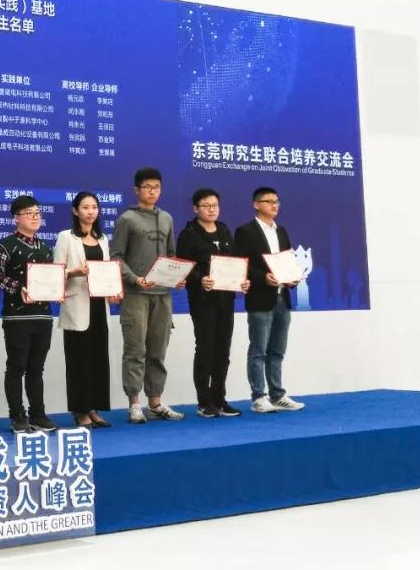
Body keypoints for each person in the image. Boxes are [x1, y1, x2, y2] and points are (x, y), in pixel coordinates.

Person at [111, 167, 185, 424]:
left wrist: (177, 276)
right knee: (135, 350)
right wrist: (134, 279)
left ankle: (155, 402)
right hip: (136, 295)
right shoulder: (127, 219)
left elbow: (171, 254)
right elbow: (116, 257)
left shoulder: (166, 218)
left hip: (163, 295)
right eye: (147, 187)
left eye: (157, 187)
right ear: (136, 190)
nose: (152, 192)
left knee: (158, 350)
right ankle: (134, 403)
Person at [176, 188, 250, 418]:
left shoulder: (225, 230)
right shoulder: (189, 234)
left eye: (215, 205)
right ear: (195, 208)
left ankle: (220, 399)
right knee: (205, 348)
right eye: (206, 206)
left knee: (223, 350)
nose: (211, 210)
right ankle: (204, 401)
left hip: (226, 299)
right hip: (203, 300)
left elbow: (235, 262)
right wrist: (200, 279)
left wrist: (243, 280)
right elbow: (184, 266)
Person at [234, 187, 305, 413]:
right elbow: (241, 263)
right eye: (269, 201)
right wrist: (263, 277)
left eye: (277, 202)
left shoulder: (281, 231)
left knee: (277, 350)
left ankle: (277, 395)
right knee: (259, 350)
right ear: (256, 204)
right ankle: (258, 397)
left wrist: (293, 278)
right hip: (260, 297)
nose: (274, 205)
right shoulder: (245, 231)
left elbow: (287, 260)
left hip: (283, 297)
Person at [0, 195, 58, 434]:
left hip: (43, 316)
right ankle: (17, 416)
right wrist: (18, 288)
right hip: (17, 317)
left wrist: (57, 289)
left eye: (38, 213)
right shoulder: (5, 246)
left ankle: (38, 414)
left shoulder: (45, 248)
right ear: (16, 218)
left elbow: (52, 277)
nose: (35, 218)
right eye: (30, 214)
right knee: (16, 366)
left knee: (36, 368)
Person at [54, 191, 121, 429]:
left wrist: (114, 290)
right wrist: (75, 271)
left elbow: (107, 271)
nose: (91, 212)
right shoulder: (66, 237)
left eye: (94, 207)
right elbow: (56, 272)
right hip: (77, 305)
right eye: (85, 207)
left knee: (98, 359)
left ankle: (94, 409)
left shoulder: (102, 239)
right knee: (79, 361)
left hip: (99, 306)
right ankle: (80, 411)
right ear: (75, 210)